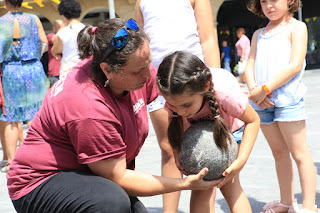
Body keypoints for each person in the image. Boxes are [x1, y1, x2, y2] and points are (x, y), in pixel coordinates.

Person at [7, 18, 221, 213]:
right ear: (107, 70)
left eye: (148, 64)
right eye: (139, 71)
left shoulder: (130, 67)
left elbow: (176, 103)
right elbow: (117, 176)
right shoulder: (88, 106)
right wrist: (183, 184)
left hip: (88, 175)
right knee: (112, 203)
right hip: (39, 183)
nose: (148, 75)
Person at [135, 0, 221, 211]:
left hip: (192, 83)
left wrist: (216, 77)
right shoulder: (141, 2)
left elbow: (208, 37)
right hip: (159, 85)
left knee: (203, 148)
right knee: (169, 148)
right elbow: (139, 44)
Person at [156, 51, 260, 213]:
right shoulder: (175, 98)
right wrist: (177, 155)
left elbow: (253, 120)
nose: (180, 111)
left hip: (231, 129)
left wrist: (240, 161)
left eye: (186, 105)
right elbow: (174, 122)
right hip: (200, 133)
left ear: (204, 87)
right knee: (200, 187)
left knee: (229, 186)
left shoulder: (224, 94)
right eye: (173, 105)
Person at [245, 0, 318, 212]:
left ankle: (308, 206)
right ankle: (287, 202)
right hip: (262, 103)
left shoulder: (297, 27)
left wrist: (265, 89)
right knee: (279, 154)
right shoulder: (259, 33)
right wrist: (254, 90)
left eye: (274, 0)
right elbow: (250, 63)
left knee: (300, 154)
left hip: (288, 101)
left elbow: (295, 65)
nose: (269, 5)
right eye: (264, 1)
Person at [0, 0, 48, 173]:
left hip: (11, 71)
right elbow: (44, 43)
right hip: (34, 69)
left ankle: (11, 162)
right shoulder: (34, 19)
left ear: (5, 2)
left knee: (11, 118)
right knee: (37, 114)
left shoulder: (1, 22)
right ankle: (41, 157)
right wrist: (32, 54)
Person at [51, 0, 84, 79]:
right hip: (85, 71)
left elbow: (55, 51)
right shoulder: (88, 29)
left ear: (64, 14)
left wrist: (58, 54)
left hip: (68, 72)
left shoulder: (62, 32)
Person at [47, 19, 64, 88]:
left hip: (65, 71)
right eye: (60, 27)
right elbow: (56, 39)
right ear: (54, 28)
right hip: (55, 73)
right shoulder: (51, 36)